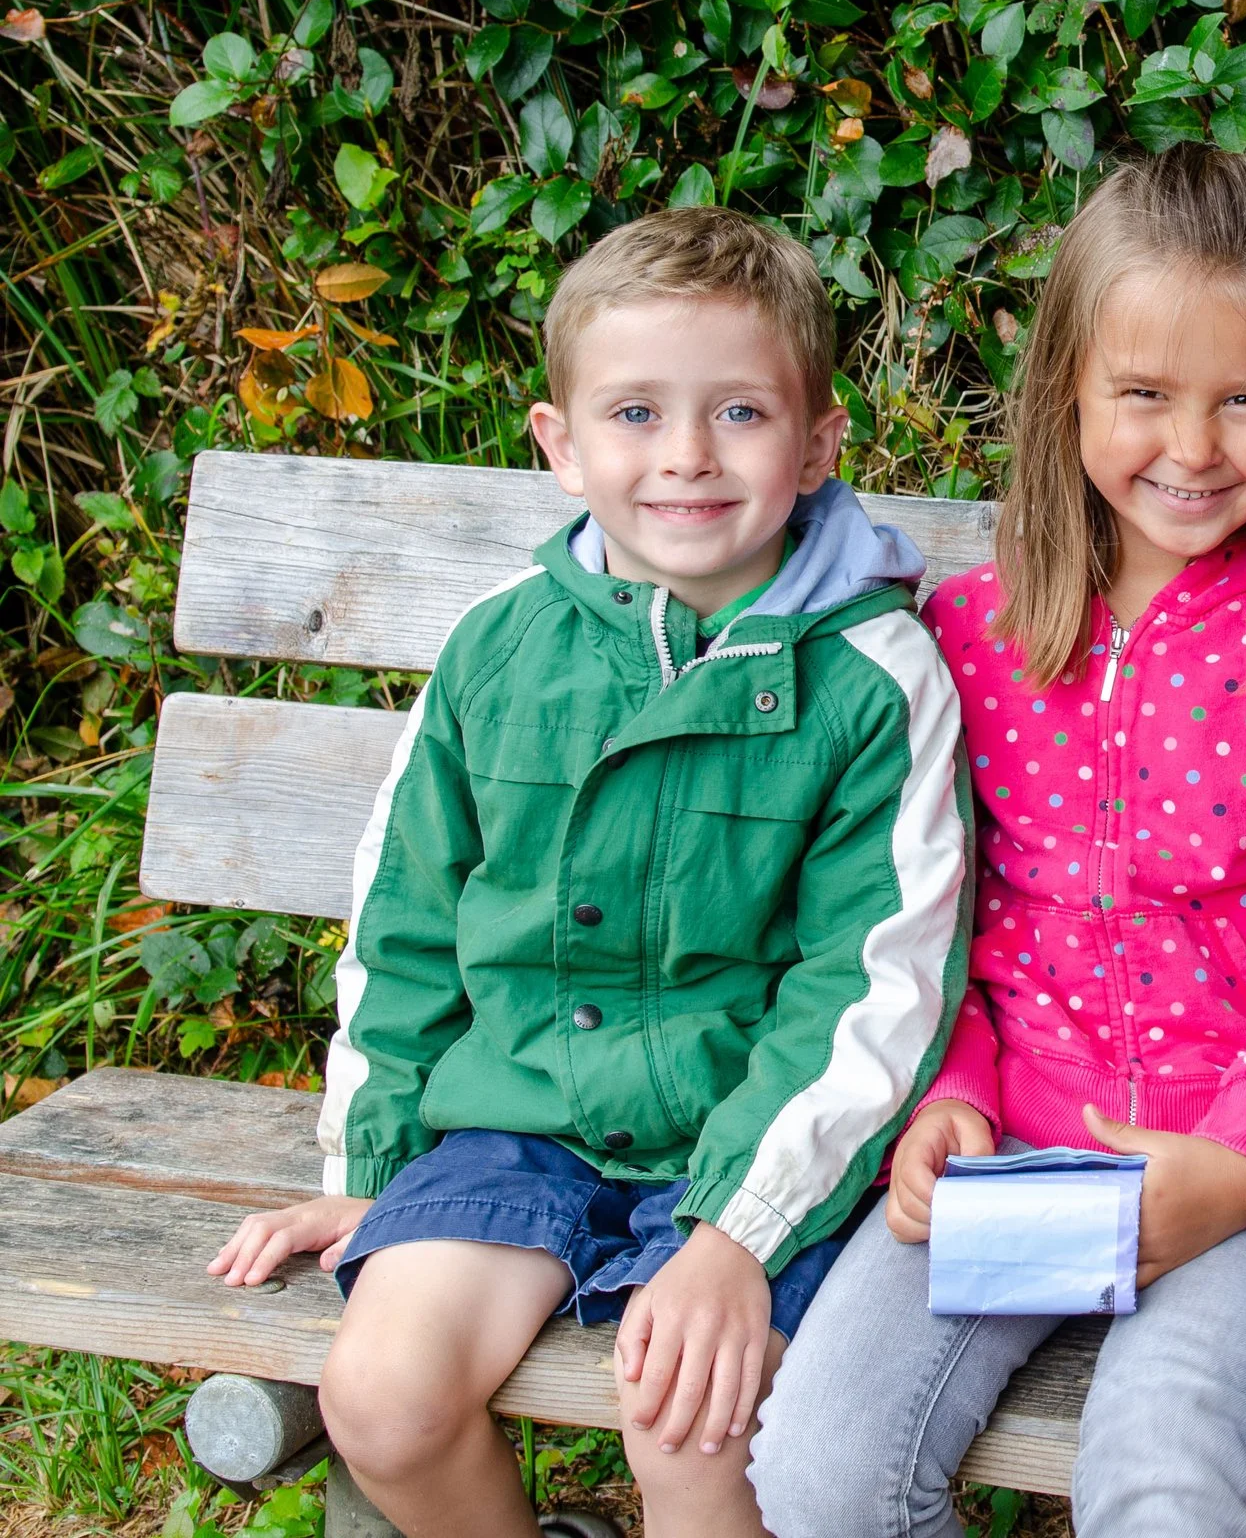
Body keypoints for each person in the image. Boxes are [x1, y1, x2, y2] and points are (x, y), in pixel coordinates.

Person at [207, 207, 973, 1538]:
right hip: (516, 1126)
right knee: (384, 1398)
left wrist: (740, 1231)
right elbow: (406, 927)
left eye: (739, 413)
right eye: (634, 414)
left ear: (820, 438)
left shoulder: (868, 677)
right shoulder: (498, 652)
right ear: (559, 444)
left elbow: (873, 989)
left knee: (689, 1428)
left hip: (743, 1154)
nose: (685, 457)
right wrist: (376, 1170)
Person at [745, 146, 1246, 1538]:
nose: (1194, 446)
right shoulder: (971, 638)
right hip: (1016, 1158)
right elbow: (934, 922)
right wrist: (950, 1096)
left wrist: (1239, 1165)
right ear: (1069, 393)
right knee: (817, 1472)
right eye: (1147, 396)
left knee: (1160, 1483)